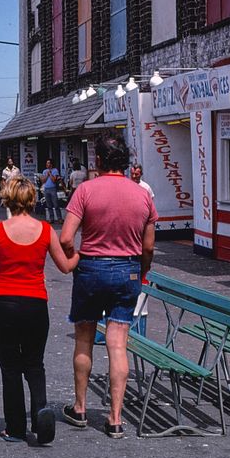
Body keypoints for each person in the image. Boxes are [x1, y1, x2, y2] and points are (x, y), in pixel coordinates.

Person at [58, 132, 157, 439]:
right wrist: (140, 271)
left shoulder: (86, 191)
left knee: (84, 339)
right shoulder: (142, 195)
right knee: (118, 344)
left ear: (98, 160)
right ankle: (115, 418)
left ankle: (80, 407)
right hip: (127, 270)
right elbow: (149, 247)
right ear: (125, 162)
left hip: (91, 268)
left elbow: (64, 238)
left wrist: (75, 259)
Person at [0, 175, 78, 443]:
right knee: (34, 364)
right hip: (34, 304)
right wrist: (81, 253)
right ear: (32, 199)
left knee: (9, 368)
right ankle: (40, 413)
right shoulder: (45, 230)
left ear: (8, 198)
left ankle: (15, 427)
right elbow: (65, 267)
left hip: (4, 303)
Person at [39, 159, 63, 223]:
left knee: (56, 204)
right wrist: (47, 175)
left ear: (51, 164)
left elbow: (54, 180)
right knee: (49, 205)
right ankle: (51, 218)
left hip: (53, 188)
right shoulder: (44, 171)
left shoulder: (55, 170)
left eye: (48, 163)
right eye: (46, 163)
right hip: (46, 189)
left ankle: (59, 218)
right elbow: (43, 181)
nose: (47, 164)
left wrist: (50, 173)